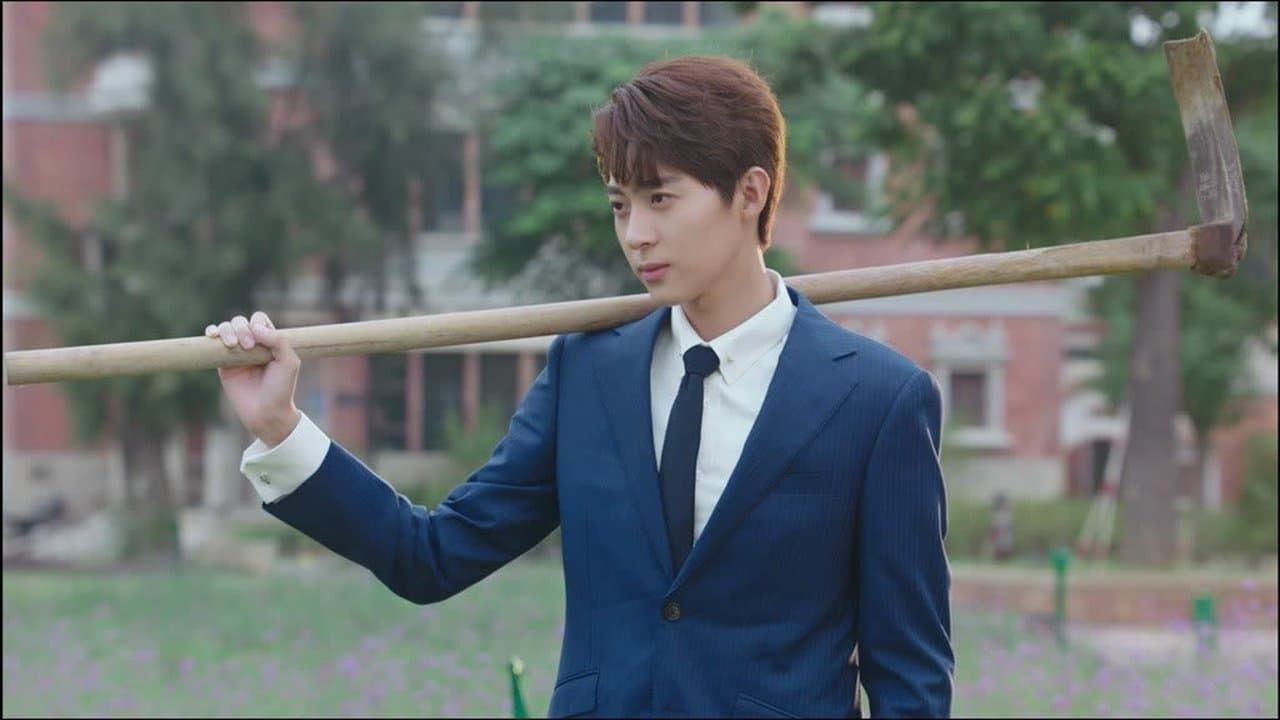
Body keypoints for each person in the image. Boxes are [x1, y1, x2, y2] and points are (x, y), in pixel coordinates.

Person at [206, 55, 953, 718]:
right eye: (620, 205)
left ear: (750, 192)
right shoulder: (587, 373)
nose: (635, 234)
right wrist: (280, 427)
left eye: (661, 199)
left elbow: (910, 681)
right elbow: (430, 556)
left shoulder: (878, 400)